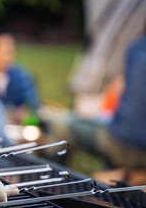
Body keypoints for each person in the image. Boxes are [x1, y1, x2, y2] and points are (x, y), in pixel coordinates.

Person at [48, 32, 146, 169]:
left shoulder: (137, 48)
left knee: (59, 124)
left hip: (126, 144)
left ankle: (52, 185)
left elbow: (118, 88)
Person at [0, 29, 41, 123]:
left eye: (10, 49)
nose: (8, 52)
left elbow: (33, 103)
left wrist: (26, 111)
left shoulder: (21, 76)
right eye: (3, 49)